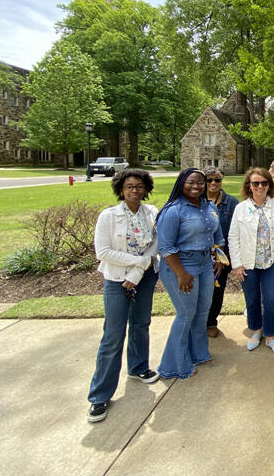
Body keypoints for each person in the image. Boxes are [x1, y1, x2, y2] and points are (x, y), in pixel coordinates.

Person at [87, 169, 160, 423]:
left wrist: (138, 271)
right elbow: (103, 251)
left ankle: (138, 367)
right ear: (121, 189)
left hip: (145, 277)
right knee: (113, 335)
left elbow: (155, 245)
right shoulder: (108, 216)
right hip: (117, 280)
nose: (135, 191)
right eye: (129, 186)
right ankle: (99, 395)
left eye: (139, 186)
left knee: (141, 324)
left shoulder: (152, 213)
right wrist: (136, 264)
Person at [156, 168, 223, 379]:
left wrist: (220, 257)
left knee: (202, 311)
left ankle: (198, 353)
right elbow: (165, 247)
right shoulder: (173, 211)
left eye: (200, 183)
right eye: (191, 182)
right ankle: (173, 365)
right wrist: (181, 274)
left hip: (205, 264)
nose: (196, 186)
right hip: (182, 265)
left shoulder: (208, 206)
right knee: (185, 314)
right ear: (181, 183)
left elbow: (217, 234)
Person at [228, 167, 274, 356]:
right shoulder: (241, 208)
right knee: (252, 298)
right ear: (249, 186)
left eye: (264, 183)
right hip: (248, 264)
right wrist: (237, 264)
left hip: (270, 262)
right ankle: (256, 331)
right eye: (256, 183)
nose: (260, 186)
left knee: (271, 299)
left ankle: (270, 336)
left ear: (269, 185)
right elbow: (233, 237)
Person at [204, 167, 239, 339]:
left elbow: (236, 230)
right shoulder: (196, 200)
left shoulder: (231, 202)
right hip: (199, 255)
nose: (213, 183)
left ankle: (211, 322)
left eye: (217, 180)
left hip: (222, 255)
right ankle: (198, 322)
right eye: (209, 180)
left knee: (217, 288)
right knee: (199, 290)